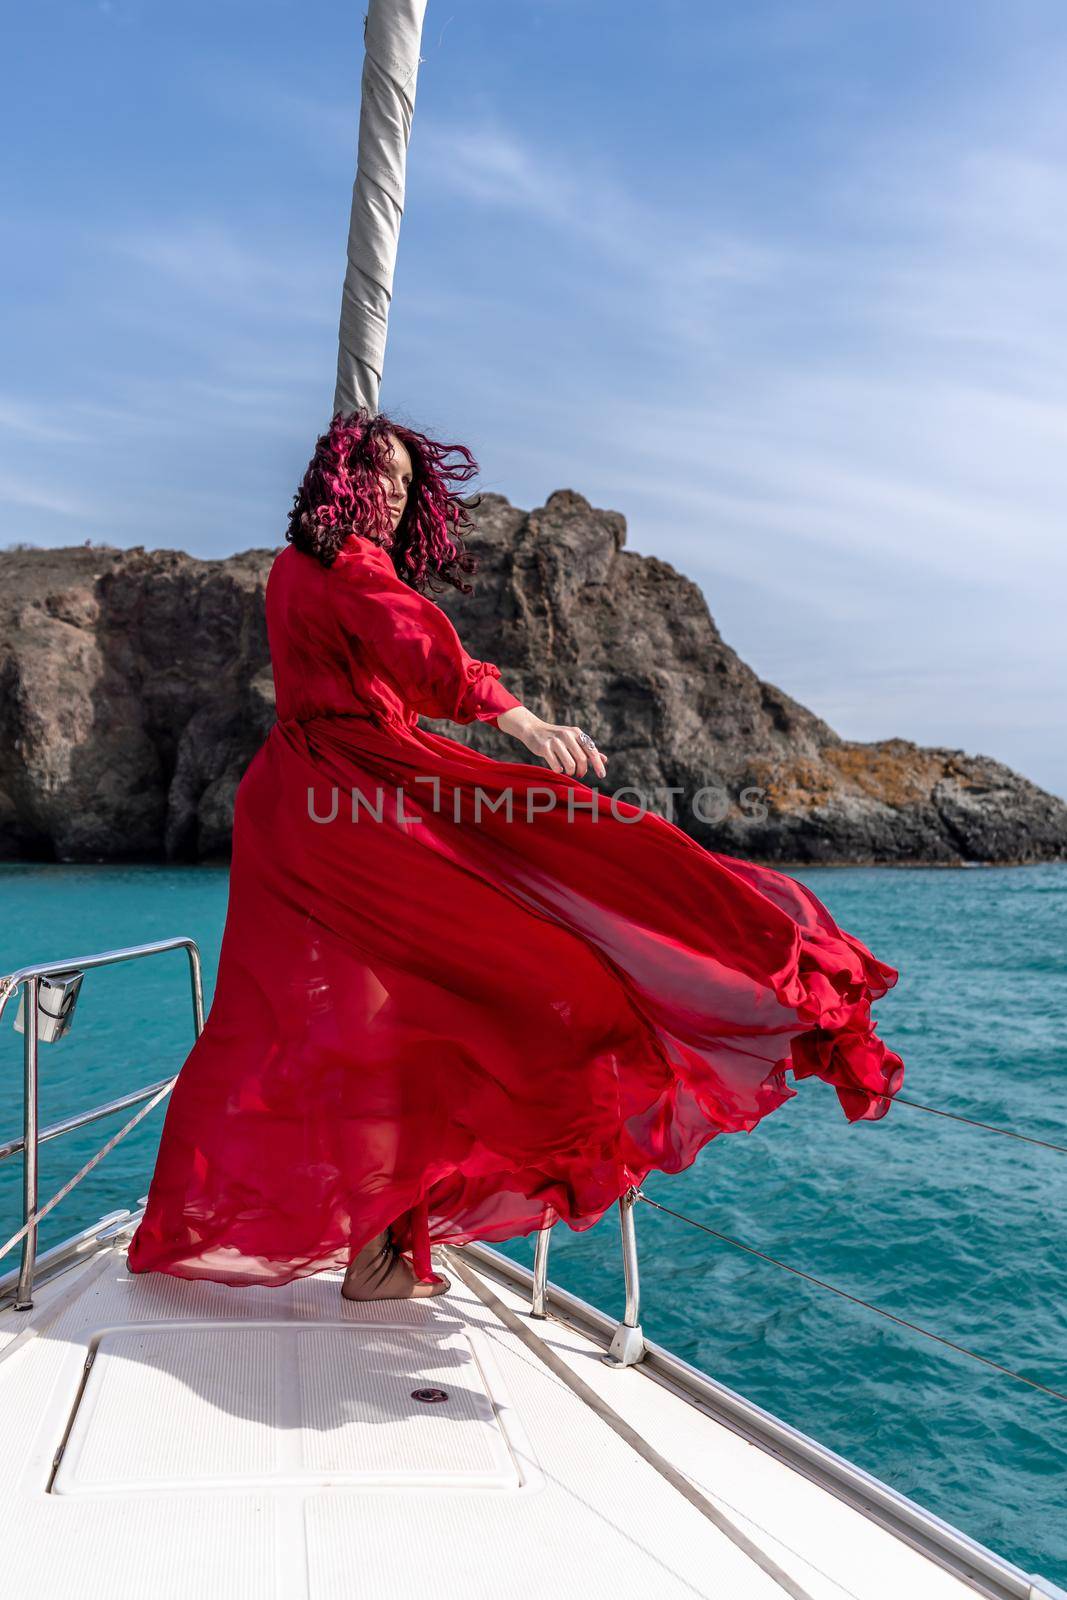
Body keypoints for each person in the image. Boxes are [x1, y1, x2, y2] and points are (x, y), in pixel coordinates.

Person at [126, 409, 904, 1301]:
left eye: (407, 483)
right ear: (342, 473)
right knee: (575, 876)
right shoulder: (345, 562)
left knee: (363, 1018)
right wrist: (520, 720)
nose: (392, 492)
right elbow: (414, 645)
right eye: (378, 472)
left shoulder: (290, 565)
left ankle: (372, 1252)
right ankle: (747, 978)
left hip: (302, 799)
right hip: (351, 791)